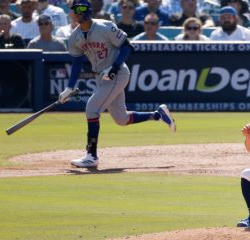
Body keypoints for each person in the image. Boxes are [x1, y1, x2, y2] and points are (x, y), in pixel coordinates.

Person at [58, 0, 176, 168]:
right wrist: (69, 88)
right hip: (102, 76)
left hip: (117, 73)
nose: (78, 12)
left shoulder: (104, 26)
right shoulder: (75, 36)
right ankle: (158, 114)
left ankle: (91, 155)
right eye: (75, 9)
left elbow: (127, 46)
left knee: (92, 109)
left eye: (82, 8)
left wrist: (114, 68)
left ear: (89, 10)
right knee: (122, 119)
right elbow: (77, 63)